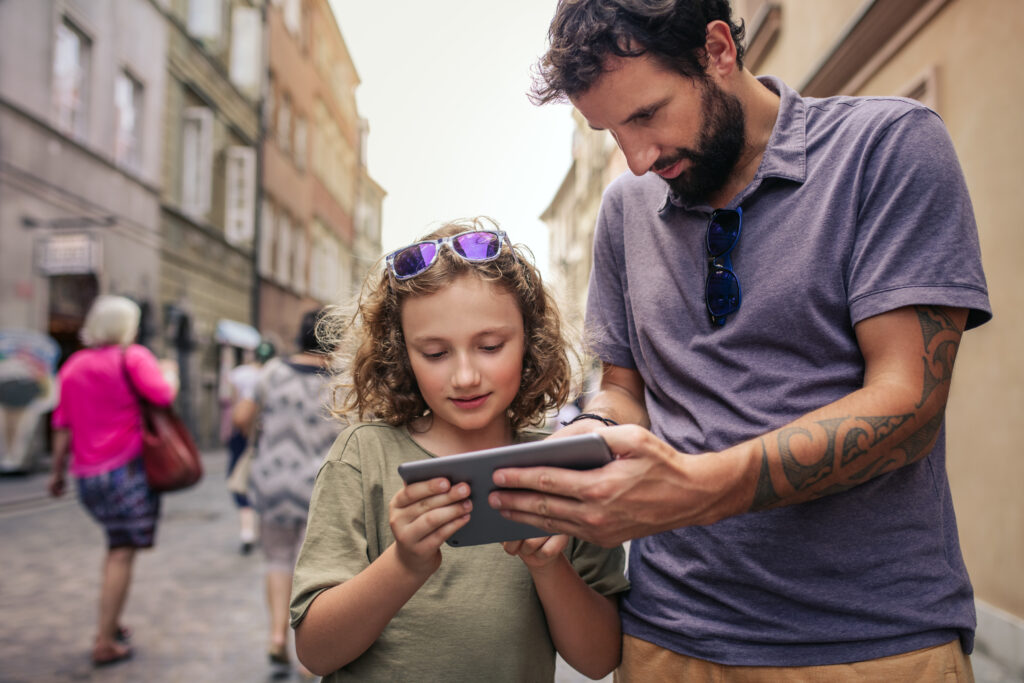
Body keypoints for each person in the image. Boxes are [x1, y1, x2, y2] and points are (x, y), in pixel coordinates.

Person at [487, 1, 992, 680]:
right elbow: (624, 389)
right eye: (611, 132)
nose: (636, 159)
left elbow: (910, 402)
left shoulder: (887, 145)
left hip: (873, 641)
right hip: (665, 638)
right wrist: (587, 439)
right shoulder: (624, 209)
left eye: (647, 114)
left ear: (718, 50)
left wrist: (696, 488)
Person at [290, 218, 629, 681]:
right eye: (435, 353)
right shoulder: (362, 456)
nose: (465, 376)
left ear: (530, 339)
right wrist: (404, 564)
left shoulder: (564, 467)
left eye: (490, 346)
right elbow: (315, 652)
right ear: (401, 353)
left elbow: (600, 659)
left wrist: (549, 566)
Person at [47, 295, 177, 667]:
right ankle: (105, 640)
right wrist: (170, 372)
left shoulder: (73, 365)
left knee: (115, 546)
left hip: (88, 477)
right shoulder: (132, 357)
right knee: (121, 552)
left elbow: (61, 425)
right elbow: (163, 395)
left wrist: (57, 472)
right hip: (125, 471)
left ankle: (112, 621)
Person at [234, 310, 341, 679]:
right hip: (320, 486)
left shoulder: (272, 372)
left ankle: (276, 635)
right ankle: (306, 657)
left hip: (273, 478)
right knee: (310, 569)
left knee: (277, 560)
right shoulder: (342, 379)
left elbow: (241, 418)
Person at [224, 339, 275, 554]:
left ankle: (247, 531)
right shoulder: (274, 374)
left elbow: (235, 407)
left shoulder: (239, 374)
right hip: (267, 436)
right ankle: (264, 529)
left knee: (241, 479)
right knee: (266, 481)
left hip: (243, 435)